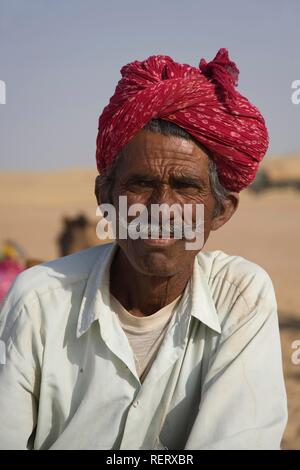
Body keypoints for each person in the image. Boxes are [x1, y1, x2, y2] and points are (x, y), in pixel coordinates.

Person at [0, 49, 287, 450]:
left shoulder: (241, 298)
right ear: (105, 196)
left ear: (221, 210)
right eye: (140, 184)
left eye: (187, 187)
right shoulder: (38, 301)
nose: (162, 210)